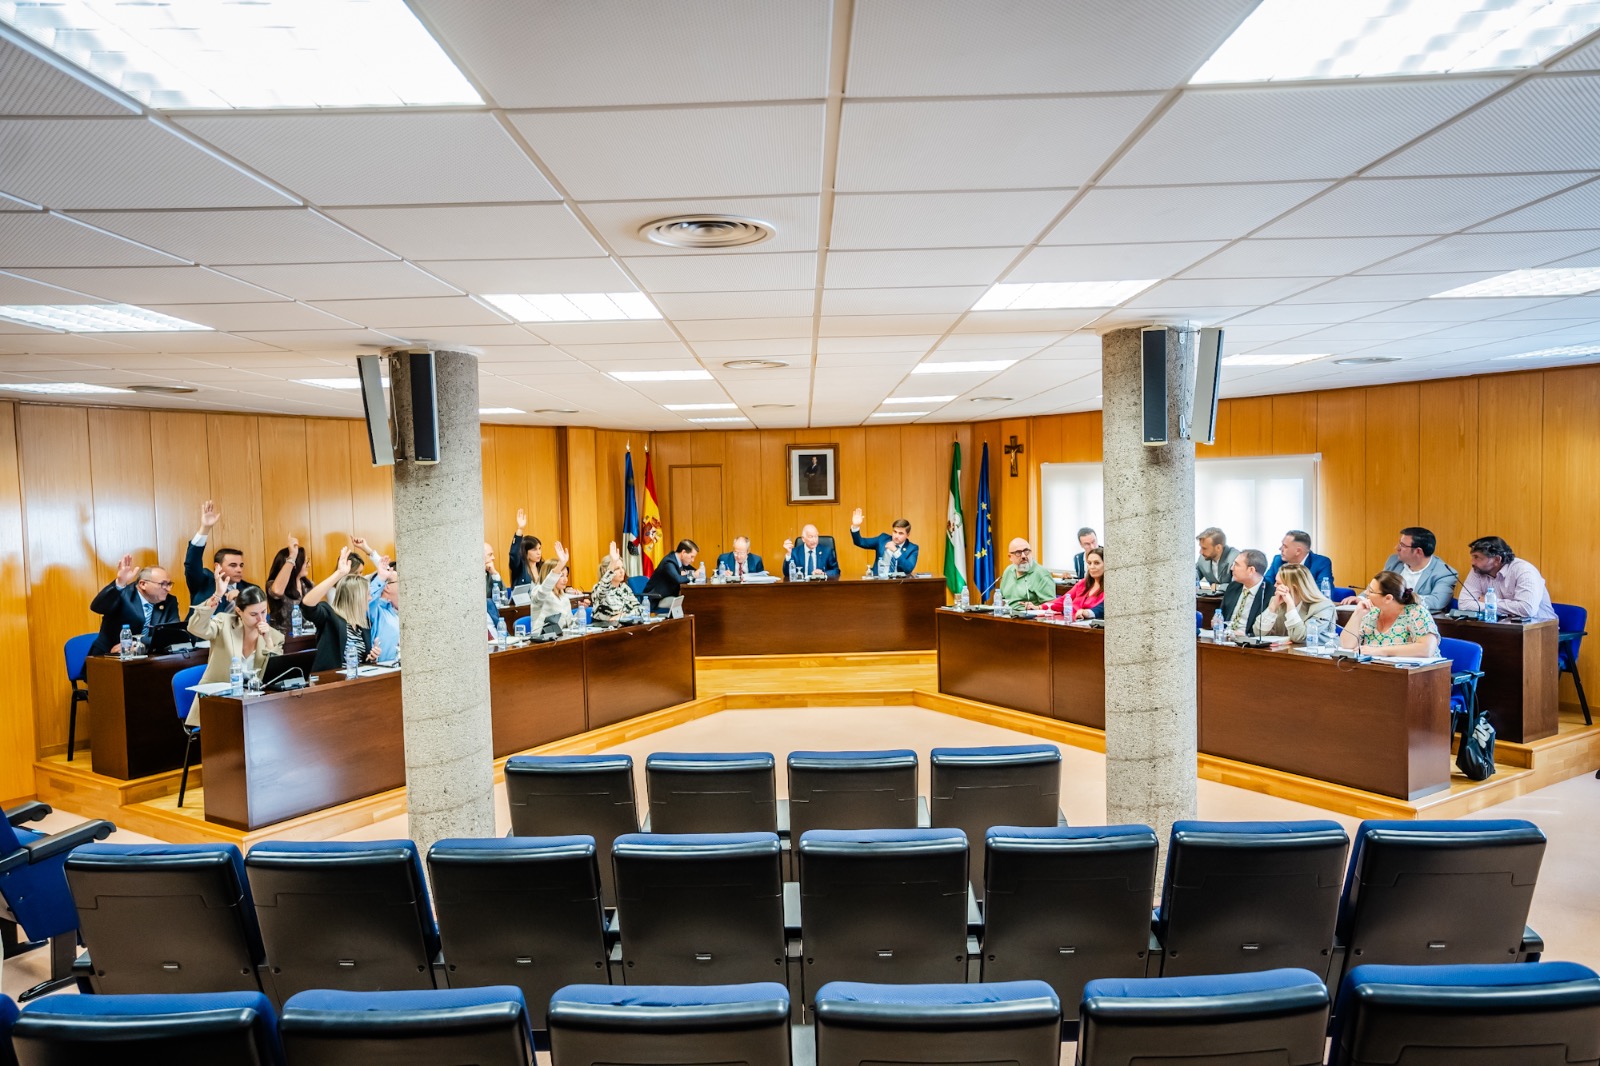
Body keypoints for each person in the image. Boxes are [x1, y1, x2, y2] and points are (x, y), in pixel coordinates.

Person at [185, 583, 283, 718]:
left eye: (263, 612)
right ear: (239, 611)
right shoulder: (224, 623)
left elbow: (277, 675)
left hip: (255, 706)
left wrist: (268, 641)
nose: (260, 619)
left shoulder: (275, 636)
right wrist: (216, 596)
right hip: (218, 703)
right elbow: (195, 628)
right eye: (253, 614)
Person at [301, 545, 378, 673]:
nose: (370, 598)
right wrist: (339, 573)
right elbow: (307, 604)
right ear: (355, 597)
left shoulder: (363, 624)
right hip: (331, 680)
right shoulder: (330, 616)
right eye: (367, 594)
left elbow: (360, 662)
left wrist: (371, 659)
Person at [1347, 526, 1458, 612]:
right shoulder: (1394, 561)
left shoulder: (1445, 573)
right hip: (1384, 615)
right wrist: (1362, 598)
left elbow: (1437, 601)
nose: (1397, 548)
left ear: (1418, 551)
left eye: (1402, 546)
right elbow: (1377, 585)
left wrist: (1399, 599)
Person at [89, 554, 180, 656]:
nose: (168, 589)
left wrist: (138, 644)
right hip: (108, 655)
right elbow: (97, 607)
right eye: (163, 584)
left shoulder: (169, 601)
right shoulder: (123, 594)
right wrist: (119, 583)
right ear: (143, 584)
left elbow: (173, 634)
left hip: (148, 657)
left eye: (169, 584)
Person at [1341, 570, 1441, 657]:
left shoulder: (1416, 613)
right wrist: (1357, 614)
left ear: (1388, 598)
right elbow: (1347, 646)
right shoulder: (1371, 612)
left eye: (1371, 591)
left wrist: (1379, 651)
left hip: (1422, 672)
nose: (1366, 593)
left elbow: (1426, 649)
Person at [183, 500, 259, 614]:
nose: (239, 569)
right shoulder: (203, 582)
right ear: (217, 566)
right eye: (233, 565)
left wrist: (242, 599)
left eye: (241, 565)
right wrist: (205, 529)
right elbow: (192, 564)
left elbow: (258, 617)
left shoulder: (252, 591)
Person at [1459, 535, 1557, 622]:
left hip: (1539, 629)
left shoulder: (1524, 571)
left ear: (1497, 559)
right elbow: (1464, 604)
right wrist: (1507, 607)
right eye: (1472, 557)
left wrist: (1490, 602)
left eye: (1477, 557)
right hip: (1504, 627)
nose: (1472, 562)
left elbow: (1527, 609)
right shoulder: (1478, 570)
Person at [1253, 562, 1337, 645]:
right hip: (1285, 651)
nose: (1274, 585)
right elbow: (1258, 633)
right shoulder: (1277, 601)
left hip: (1317, 652)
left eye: (1278, 583)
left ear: (1294, 588)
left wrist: (1290, 605)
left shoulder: (1323, 606)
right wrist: (1273, 607)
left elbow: (1300, 637)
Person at [1221, 548, 1275, 637]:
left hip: (1248, 641)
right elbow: (1222, 615)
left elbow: (1267, 631)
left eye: (1236, 565)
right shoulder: (1233, 587)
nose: (1232, 568)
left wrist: (1246, 636)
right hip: (1225, 637)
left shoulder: (1270, 593)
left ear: (1251, 570)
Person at [265, 534, 313, 633]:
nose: (309, 565)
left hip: (309, 636)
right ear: (296, 564)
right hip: (282, 638)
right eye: (305, 562)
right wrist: (292, 556)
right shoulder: (272, 584)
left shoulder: (308, 585)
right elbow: (277, 591)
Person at [849, 508, 919, 575]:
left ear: (907, 535)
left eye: (901, 533)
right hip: (878, 580)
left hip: (898, 582)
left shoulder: (912, 548)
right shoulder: (882, 539)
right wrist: (855, 526)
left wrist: (895, 551)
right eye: (895, 532)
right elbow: (860, 542)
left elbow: (908, 569)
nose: (896, 536)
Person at [1045, 546, 1104, 619]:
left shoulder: (1110, 588)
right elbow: (1063, 600)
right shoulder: (1083, 583)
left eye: (1097, 563)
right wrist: (1039, 607)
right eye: (1089, 563)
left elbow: (1102, 609)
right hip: (1071, 621)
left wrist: (1086, 613)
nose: (1092, 567)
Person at [1263, 530, 1334, 590]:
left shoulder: (1321, 563)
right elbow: (1266, 586)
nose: (1280, 549)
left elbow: (1323, 591)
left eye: (1285, 546)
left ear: (1298, 551)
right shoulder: (1278, 560)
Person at [529, 541, 575, 633]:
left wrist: (581, 612)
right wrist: (560, 564)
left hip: (562, 638)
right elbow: (544, 590)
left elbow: (569, 624)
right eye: (561, 575)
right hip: (542, 639)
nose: (565, 579)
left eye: (566, 575)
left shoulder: (563, 596)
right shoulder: (538, 591)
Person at [998, 538, 1055, 605]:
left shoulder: (1041, 574)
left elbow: (1050, 606)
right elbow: (1001, 598)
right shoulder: (1008, 570)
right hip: (1007, 611)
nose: (1023, 556)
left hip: (1027, 611)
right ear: (1010, 557)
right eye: (1018, 553)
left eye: (1026, 551)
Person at [591, 552, 642, 623]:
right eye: (617, 568)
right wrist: (612, 565)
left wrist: (622, 616)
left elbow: (639, 609)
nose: (622, 571)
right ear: (607, 571)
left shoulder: (624, 587)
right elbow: (602, 589)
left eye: (622, 567)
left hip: (624, 625)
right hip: (605, 627)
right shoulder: (598, 588)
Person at [367, 553, 399, 661]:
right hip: (382, 668)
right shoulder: (376, 610)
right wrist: (381, 578)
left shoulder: (393, 612)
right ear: (387, 587)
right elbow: (368, 601)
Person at [508, 508, 542, 587]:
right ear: (525, 551)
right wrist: (520, 529)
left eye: (539, 548)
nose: (539, 553)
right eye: (534, 549)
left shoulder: (542, 566)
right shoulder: (519, 567)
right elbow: (514, 554)